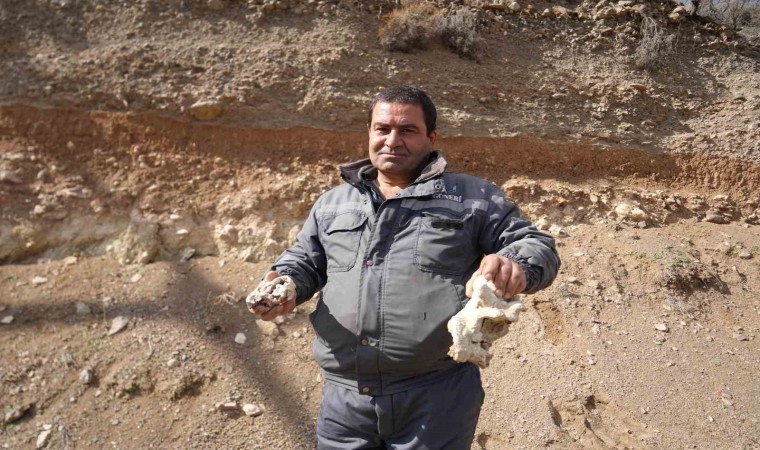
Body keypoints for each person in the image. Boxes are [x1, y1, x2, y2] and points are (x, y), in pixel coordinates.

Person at [249, 85, 560, 449]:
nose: (392, 140)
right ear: (369, 132)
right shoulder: (333, 204)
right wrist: (286, 283)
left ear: (431, 138)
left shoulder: (472, 198)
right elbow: (305, 260)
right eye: (382, 129)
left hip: (435, 398)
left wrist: (514, 264)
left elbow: (537, 245)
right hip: (344, 400)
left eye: (408, 130)